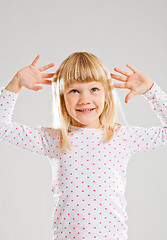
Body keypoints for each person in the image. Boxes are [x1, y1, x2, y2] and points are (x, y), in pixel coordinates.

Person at [0, 52, 166, 240]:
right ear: (62, 98)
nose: (84, 98)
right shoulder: (54, 139)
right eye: (74, 91)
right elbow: (2, 127)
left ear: (106, 95)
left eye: (94, 89)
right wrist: (15, 83)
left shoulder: (122, 137)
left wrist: (151, 91)